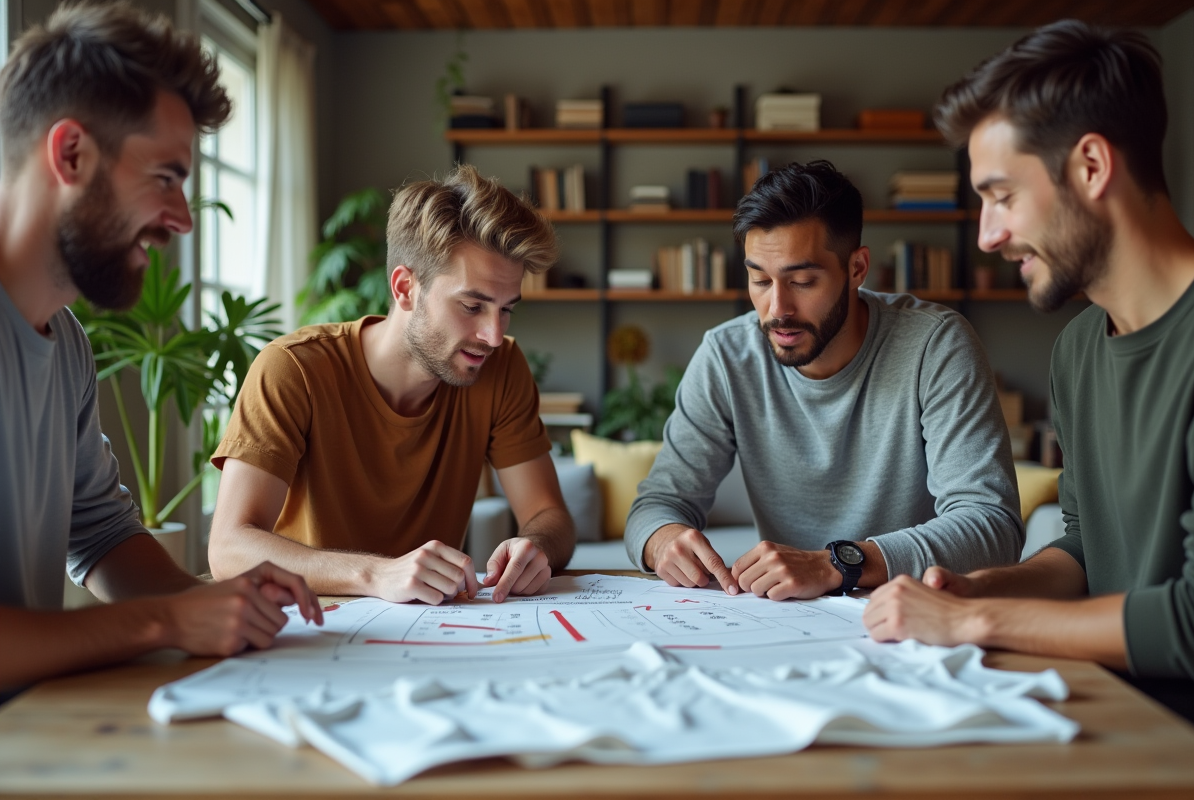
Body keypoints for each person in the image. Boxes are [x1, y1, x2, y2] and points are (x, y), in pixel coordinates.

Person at [862, 21, 1194, 722]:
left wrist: (974, 625)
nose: (988, 235)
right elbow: (1085, 550)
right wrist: (981, 590)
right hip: (1103, 706)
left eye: (1001, 196)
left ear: (1091, 167)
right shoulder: (1080, 349)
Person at [0, 1, 322, 696]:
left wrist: (216, 609)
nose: (180, 220)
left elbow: (103, 535)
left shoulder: (68, 345)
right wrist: (164, 623)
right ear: (71, 154)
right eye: (166, 178)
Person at [626, 159, 1023, 599]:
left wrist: (837, 563)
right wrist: (662, 539)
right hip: (787, 621)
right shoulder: (726, 357)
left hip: (917, 613)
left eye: (802, 281)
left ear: (857, 268)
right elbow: (657, 504)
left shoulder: (936, 346)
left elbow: (993, 527)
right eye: (760, 280)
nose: (777, 308)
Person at [207, 164, 574, 605]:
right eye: (473, 306)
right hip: (312, 629)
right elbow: (228, 549)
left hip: (436, 629)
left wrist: (536, 546)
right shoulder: (293, 370)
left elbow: (550, 516)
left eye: (506, 309)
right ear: (405, 288)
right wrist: (377, 574)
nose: (494, 336)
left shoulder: (501, 368)